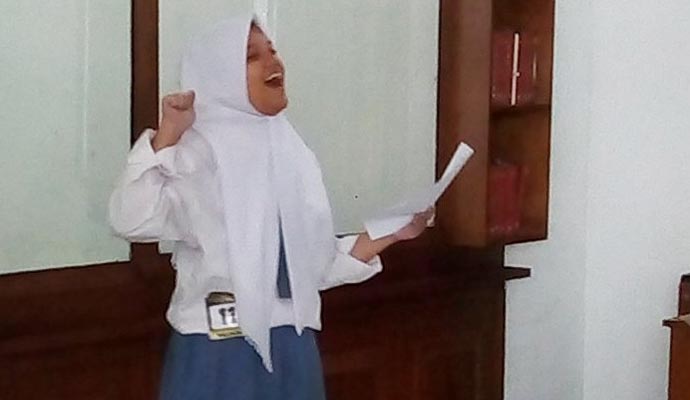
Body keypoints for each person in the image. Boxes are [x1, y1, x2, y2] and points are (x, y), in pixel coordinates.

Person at [109, 14, 431, 400]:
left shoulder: (292, 151)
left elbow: (311, 265)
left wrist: (392, 232)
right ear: (220, 74)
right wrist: (167, 137)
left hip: (291, 344)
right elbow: (131, 220)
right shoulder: (195, 152)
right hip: (216, 350)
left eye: (272, 51)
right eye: (252, 56)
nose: (273, 62)